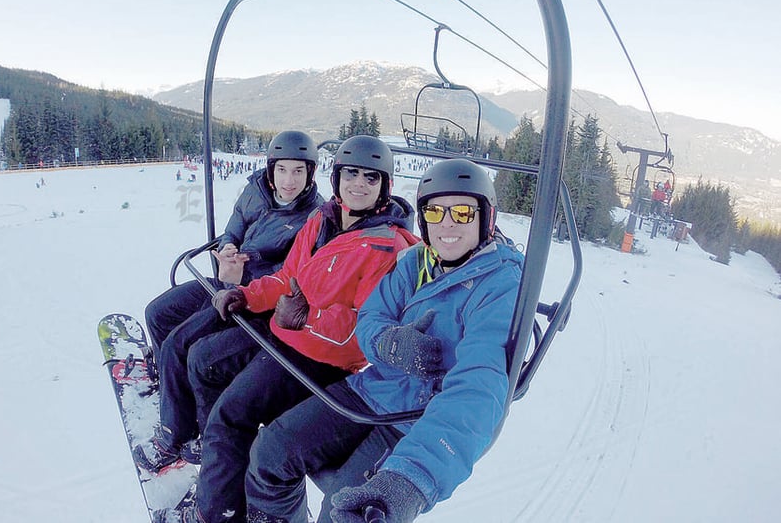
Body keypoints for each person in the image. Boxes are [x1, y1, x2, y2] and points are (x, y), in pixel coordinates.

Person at [152, 135, 419, 523]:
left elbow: (361, 331)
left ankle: (215, 512)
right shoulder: (322, 220)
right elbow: (287, 280)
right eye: (351, 175)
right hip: (285, 335)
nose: (359, 185)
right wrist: (246, 295)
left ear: (385, 186)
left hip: (320, 361)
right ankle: (220, 484)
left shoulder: (386, 247)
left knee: (232, 416)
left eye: (371, 178)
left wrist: (307, 317)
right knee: (205, 362)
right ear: (337, 178)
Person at [244, 158, 525, 523]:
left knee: (344, 510)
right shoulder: (415, 263)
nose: (448, 224)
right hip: (374, 390)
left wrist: (411, 479)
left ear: (486, 219)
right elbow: (371, 319)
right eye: (436, 211)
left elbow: (478, 386)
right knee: (271, 452)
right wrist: (390, 344)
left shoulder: (500, 285)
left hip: (419, 418)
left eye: (462, 212)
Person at [133, 130, 324, 470]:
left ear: (311, 174)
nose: (289, 180)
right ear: (271, 170)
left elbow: (293, 273)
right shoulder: (257, 191)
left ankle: (174, 434)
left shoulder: (312, 218)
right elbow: (235, 226)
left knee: (182, 344)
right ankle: (174, 392)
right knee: (159, 313)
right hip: (225, 280)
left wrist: (243, 278)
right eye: (282, 170)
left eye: (298, 171)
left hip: (249, 298)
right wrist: (228, 248)